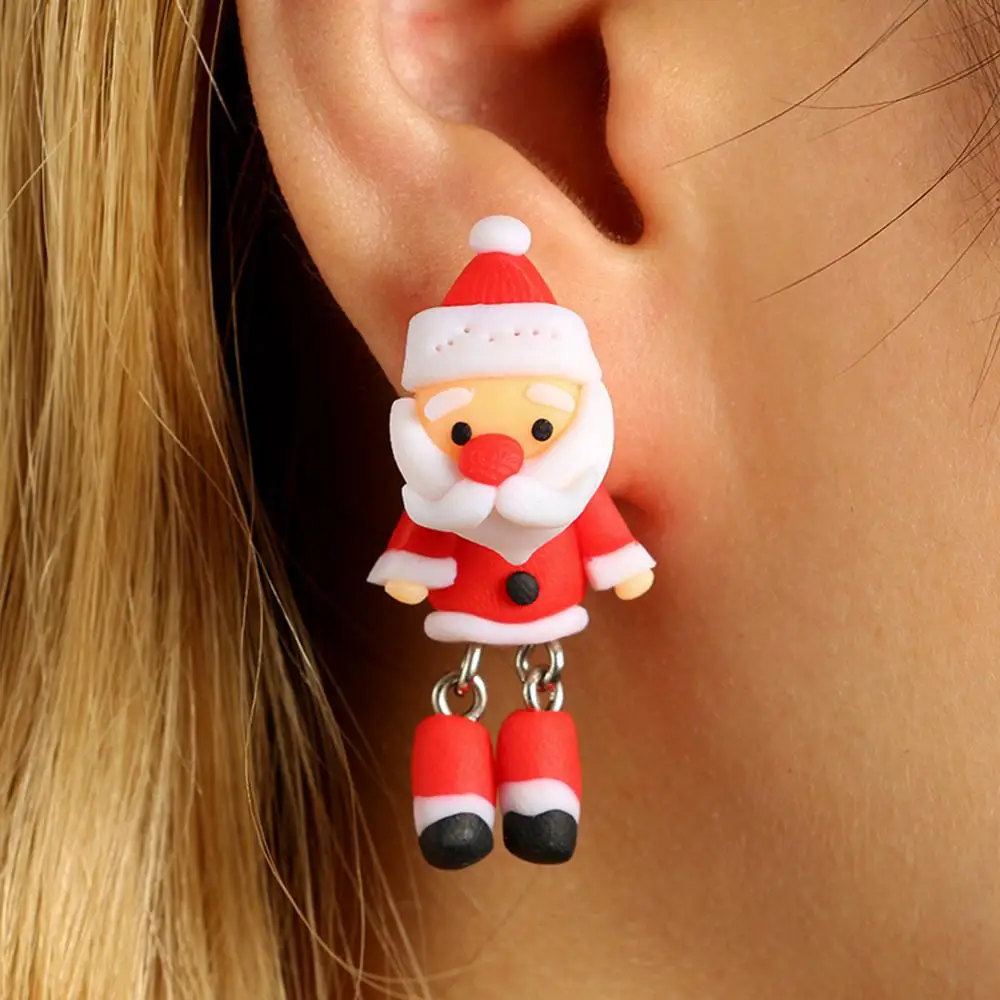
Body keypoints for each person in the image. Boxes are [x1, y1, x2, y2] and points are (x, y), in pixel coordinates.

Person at [1, 0, 998, 996]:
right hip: (487, 616)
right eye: (474, 425)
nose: (496, 453)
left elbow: (592, 541)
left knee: (526, 713)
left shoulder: (531, 499)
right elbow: (431, 541)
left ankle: (538, 799)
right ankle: (455, 803)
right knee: (470, 714)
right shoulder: (462, 500)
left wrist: (608, 563)